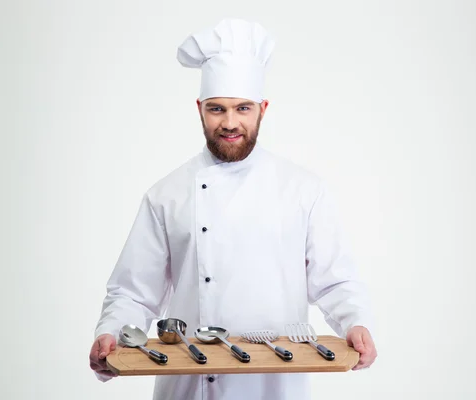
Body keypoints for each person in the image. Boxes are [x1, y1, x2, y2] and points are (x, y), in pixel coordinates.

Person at [89, 18, 377, 400]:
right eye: (216, 109)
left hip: (275, 383)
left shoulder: (303, 189)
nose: (229, 123)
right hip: (188, 383)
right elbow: (133, 291)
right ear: (199, 109)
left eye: (242, 108)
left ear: (263, 109)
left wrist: (355, 322)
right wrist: (111, 332)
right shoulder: (166, 194)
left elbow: (335, 281)